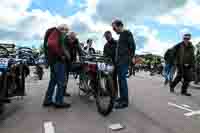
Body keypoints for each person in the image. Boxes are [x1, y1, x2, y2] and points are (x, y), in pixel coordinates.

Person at [43, 24, 71, 108]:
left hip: (53, 61)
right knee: (61, 81)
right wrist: (60, 55)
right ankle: (59, 101)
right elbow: (51, 44)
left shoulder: (54, 33)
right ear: (62, 29)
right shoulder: (57, 33)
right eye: (66, 31)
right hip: (58, 61)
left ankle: (47, 100)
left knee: (53, 81)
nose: (66, 33)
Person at [112, 19, 136, 109]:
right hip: (119, 61)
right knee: (120, 80)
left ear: (120, 26)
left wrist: (130, 58)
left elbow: (132, 46)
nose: (114, 30)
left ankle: (124, 101)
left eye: (114, 28)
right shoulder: (122, 35)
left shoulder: (127, 33)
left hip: (124, 61)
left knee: (122, 81)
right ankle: (122, 98)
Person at [63, 32, 86, 96]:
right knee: (65, 77)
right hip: (64, 62)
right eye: (71, 38)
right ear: (68, 37)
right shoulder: (64, 41)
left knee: (84, 66)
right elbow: (64, 50)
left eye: (73, 38)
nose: (72, 40)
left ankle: (82, 84)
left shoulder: (76, 41)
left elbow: (80, 51)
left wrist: (84, 56)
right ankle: (63, 91)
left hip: (72, 62)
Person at [103, 31, 118, 98]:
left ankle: (115, 94)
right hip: (108, 63)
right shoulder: (106, 45)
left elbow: (118, 53)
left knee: (114, 79)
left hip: (114, 63)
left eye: (107, 36)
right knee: (107, 78)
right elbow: (104, 54)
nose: (106, 38)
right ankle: (108, 91)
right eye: (106, 37)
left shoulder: (116, 43)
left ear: (110, 35)